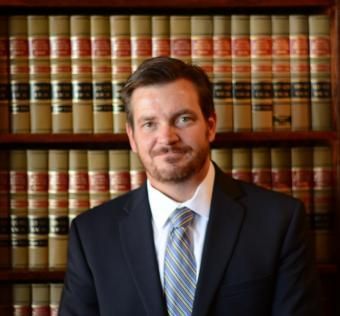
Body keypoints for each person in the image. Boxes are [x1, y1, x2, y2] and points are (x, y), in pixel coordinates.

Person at [59, 56, 321, 316]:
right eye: (149, 124)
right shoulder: (91, 235)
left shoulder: (279, 222)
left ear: (210, 126)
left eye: (183, 119)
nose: (167, 138)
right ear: (132, 137)